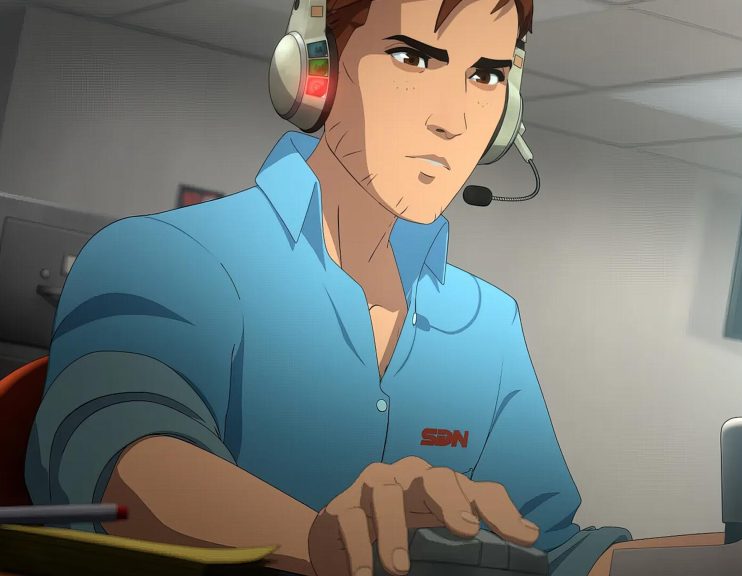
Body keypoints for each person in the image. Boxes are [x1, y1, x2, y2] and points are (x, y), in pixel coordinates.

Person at [25, 1, 631, 575]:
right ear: (315, 69)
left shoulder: (489, 324)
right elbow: (121, 459)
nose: (453, 120)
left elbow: (547, 548)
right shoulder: (164, 256)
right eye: (413, 59)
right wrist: (323, 542)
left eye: (486, 75)